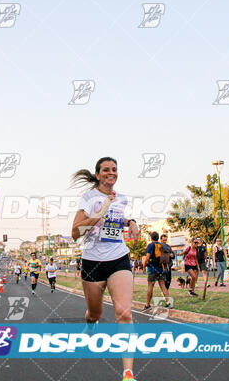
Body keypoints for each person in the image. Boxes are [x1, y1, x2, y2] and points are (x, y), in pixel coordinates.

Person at [71, 157, 140, 381]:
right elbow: (75, 233)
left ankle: (128, 372)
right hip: (92, 262)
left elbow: (115, 221)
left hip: (118, 257)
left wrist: (130, 222)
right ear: (98, 174)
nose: (111, 173)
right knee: (95, 313)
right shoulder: (89, 198)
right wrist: (98, 214)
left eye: (114, 169)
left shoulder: (121, 198)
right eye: (106, 170)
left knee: (124, 313)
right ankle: (91, 326)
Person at [142, 231, 173, 311]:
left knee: (150, 286)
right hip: (161, 269)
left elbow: (147, 257)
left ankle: (147, 304)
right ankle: (169, 303)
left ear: (151, 238)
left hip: (152, 269)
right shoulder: (161, 245)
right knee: (163, 285)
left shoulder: (150, 245)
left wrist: (144, 266)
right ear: (158, 237)